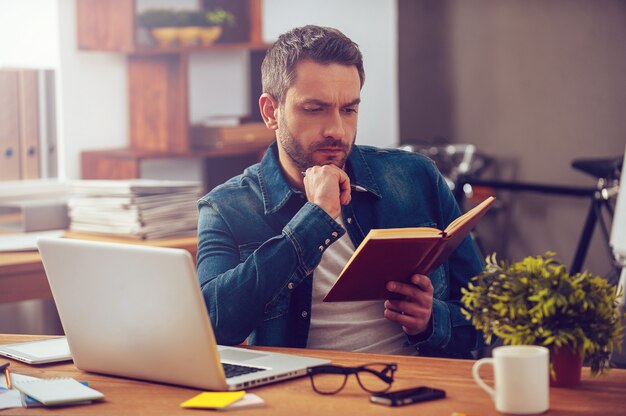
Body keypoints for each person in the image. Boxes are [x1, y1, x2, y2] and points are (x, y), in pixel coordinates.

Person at [197, 25, 484, 358]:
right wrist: (314, 219)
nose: (336, 129)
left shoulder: (415, 177)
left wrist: (433, 320)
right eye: (314, 109)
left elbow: (488, 309)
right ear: (270, 112)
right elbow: (211, 325)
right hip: (303, 394)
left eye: (348, 109)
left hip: (416, 390)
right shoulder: (226, 207)